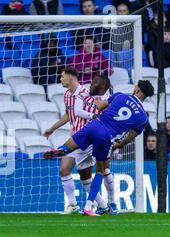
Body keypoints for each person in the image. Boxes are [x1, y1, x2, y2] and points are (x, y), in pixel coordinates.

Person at [44, 80, 155, 216]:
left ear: (137, 91)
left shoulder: (120, 96)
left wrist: (87, 97)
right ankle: (89, 206)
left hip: (94, 125)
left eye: (135, 88)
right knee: (101, 171)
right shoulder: (143, 118)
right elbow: (131, 136)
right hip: (106, 136)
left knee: (71, 146)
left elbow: (100, 106)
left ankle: (62, 149)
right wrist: (119, 144)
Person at [43, 69, 117, 215]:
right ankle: (96, 205)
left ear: (70, 77)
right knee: (80, 176)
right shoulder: (67, 95)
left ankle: (105, 203)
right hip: (77, 137)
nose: (60, 79)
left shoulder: (85, 94)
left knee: (93, 169)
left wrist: (95, 116)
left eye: (62, 76)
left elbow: (92, 112)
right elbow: (69, 115)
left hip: (87, 139)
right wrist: (53, 128)